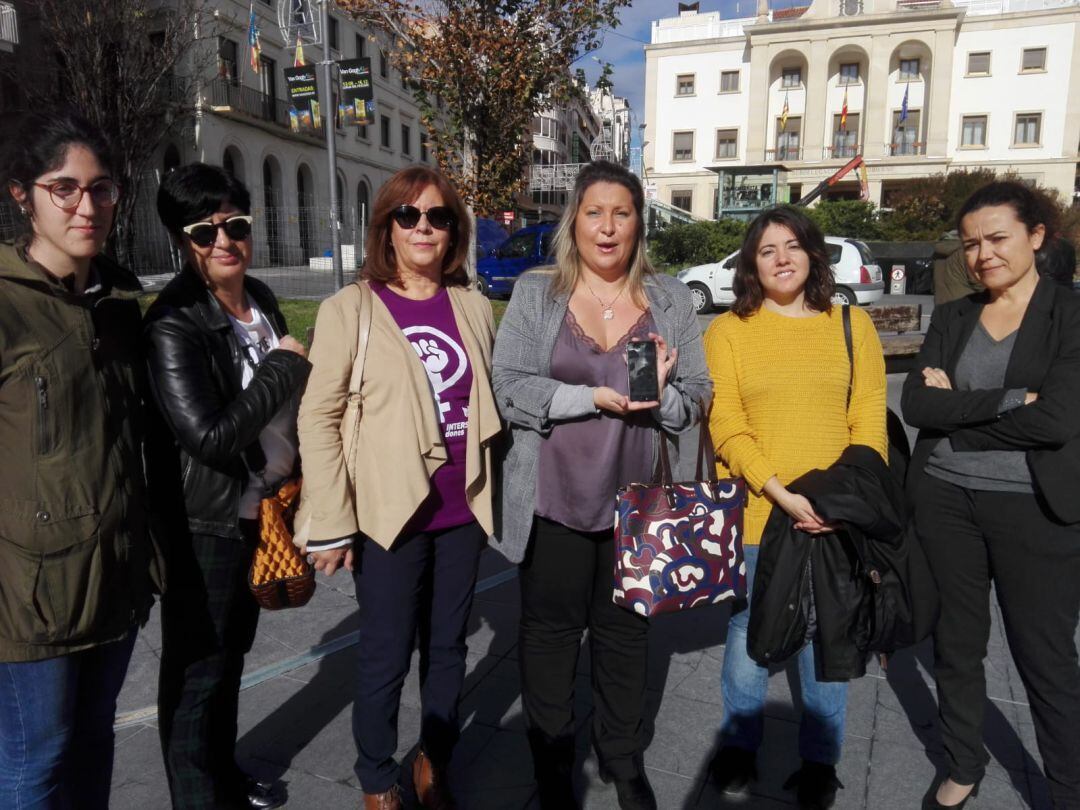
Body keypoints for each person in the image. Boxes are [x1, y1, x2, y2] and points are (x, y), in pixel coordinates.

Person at [492, 160, 711, 810]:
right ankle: (554, 763)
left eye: (622, 212)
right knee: (550, 639)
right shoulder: (537, 293)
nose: (608, 226)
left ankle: (622, 757)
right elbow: (508, 386)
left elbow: (699, 397)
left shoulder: (669, 299)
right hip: (553, 503)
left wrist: (661, 397)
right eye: (595, 212)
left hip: (636, 508)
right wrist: (590, 397)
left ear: (639, 222)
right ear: (575, 221)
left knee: (624, 639)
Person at [298, 166, 500, 810]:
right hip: (390, 514)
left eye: (438, 217)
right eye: (407, 216)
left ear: (453, 231)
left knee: (448, 648)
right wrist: (330, 518)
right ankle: (377, 778)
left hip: (461, 509)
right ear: (386, 227)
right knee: (385, 655)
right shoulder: (349, 309)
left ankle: (433, 763)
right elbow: (318, 416)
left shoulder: (470, 304)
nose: (423, 228)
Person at [0, 110, 163, 809]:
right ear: (21, 196)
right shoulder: (6, 306)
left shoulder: (121, 302)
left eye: (100, 189)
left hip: (117, 576)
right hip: (30, 597)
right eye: (62, 188)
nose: (85, 206)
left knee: (97, 743)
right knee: (36, 764)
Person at [901, 181, 1080, 810]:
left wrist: (959, 414)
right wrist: (1009, 402)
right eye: (972, 244)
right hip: (946, 501)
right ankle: (962, 763)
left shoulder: (1071, 314)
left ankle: (1066, 788)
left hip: (1036, 508)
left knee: (1047, 659)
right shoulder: (954, 316)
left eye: (997, 238)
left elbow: (1058, 419)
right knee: (956, 645)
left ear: (1036, 236)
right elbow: (919, 404)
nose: (983, 255)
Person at [704, 206, 887, 810]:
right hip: (760, 511)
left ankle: (820, 761)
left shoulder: (849, 325)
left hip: (834, 515)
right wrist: (780, 491)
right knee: (748, 628)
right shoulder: (728, 332)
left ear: (813, 253)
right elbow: (725, 423)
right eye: (766, 250)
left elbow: (869, 419)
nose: (781, 258)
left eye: (792, 246)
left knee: (825, 634)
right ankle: (739, 745)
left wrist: (843, 501)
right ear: (751, 264)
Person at [144, 163, 311, 810]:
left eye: (235, 224)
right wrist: (281, 370)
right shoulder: (173, 324)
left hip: (263, 514)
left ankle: (223, 777)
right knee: (195, 676)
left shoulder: (261, 300)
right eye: (204, 230)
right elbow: (210, 437)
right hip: (204, 526)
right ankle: (198, 797)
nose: (223, 241)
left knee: (232, 659)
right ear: (181, 241)